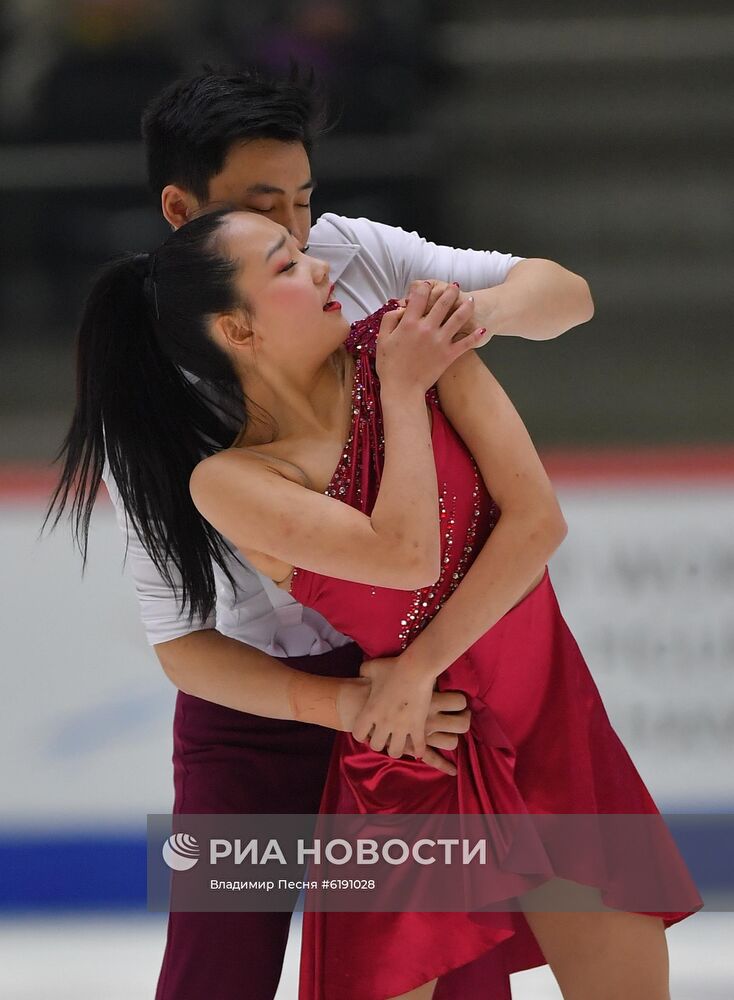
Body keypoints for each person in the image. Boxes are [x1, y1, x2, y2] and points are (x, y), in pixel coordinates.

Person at [52, 207, 701, 1000]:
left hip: (543, 723)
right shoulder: (235, 482)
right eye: (287, 267)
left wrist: (415, 670)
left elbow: (538, 520)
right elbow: (405, 559)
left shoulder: (408, 338)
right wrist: (401, 391)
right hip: (413, 766)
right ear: (238, 329)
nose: (322, 268)